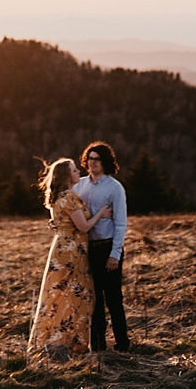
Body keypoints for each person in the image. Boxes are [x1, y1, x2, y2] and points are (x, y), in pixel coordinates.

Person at [27, 157, 113, 361]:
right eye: (74, 170)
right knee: (78, 294)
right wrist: (100, 213)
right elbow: (83, 226)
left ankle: (56, 338)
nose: (79, 173)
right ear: (66, 176)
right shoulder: (69, 198)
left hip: (63, 248)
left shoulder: (57, 197)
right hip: (72, 251)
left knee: (58, 294)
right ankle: (71, 342)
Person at [74, 140, 130, 352]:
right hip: (87, 249)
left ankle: (122, 344)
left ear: (105, 162)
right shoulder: (79, 185)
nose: (92, 163)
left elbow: (121, 223)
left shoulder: (115, 188)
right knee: (94, 299)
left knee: (114, 299)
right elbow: (70, 212)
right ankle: (97, 345)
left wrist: (115, 254)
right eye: (89, 159)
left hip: (108, 248)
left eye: (97, 159)